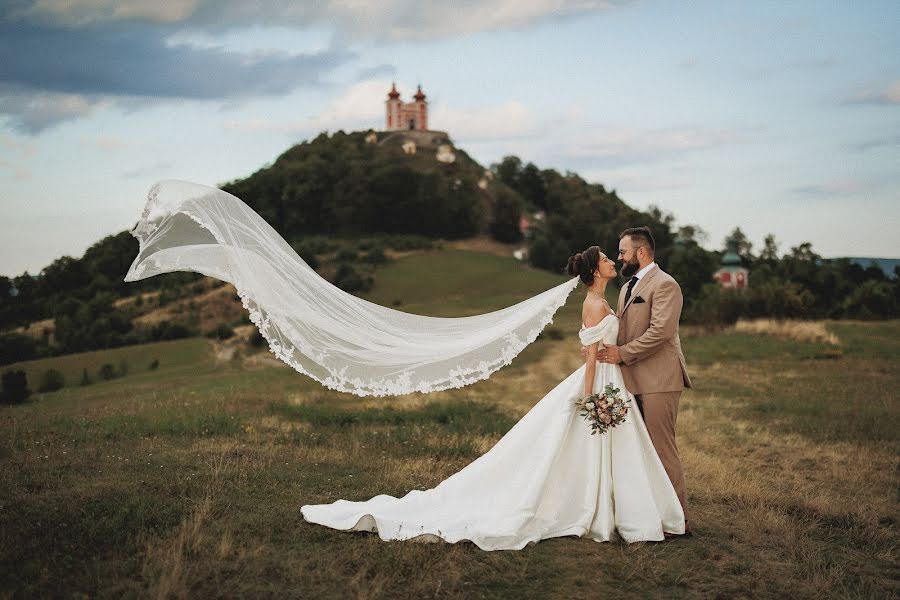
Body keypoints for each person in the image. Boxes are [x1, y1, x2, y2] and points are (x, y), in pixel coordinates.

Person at [300, 246, 686, 550]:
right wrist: (588, 396)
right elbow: (589, 354)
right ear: (593, 270)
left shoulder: (609, 298)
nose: (612, 261)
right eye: (606, 258)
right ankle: (605, 510)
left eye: (613, 255)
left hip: (613, 378)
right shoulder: (595, 304)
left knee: (616, 448)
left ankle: (618, 509)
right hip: (602, 381)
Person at [594, 226, 693, 536]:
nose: (619, 257)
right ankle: (652, 516)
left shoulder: (665, 285)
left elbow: (660, 332)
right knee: (640, 451)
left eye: (623, 252)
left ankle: (680, 522)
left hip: (660, 378)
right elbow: (621, 331)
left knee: (663, 449)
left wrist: (622, 354)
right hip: (631, 381)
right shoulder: (626, 289)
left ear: (640, 252)